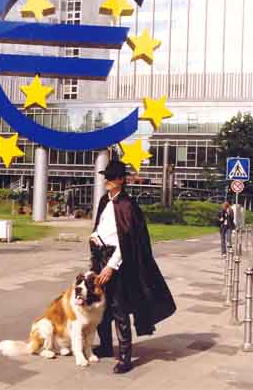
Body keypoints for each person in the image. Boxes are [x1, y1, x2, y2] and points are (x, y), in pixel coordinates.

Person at [89, 160, 176, 374]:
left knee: (119, 309)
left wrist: (111, 266)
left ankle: (125, 357)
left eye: (111, 177)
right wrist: (94, 236)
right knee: (103, 305)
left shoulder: (128, 206)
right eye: (106, 177)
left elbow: (126, 242)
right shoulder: (104, 201)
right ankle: (107, 346)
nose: (107, 181)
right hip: (100, 257)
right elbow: (102, 226)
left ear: (120, 180)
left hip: (117, 264)